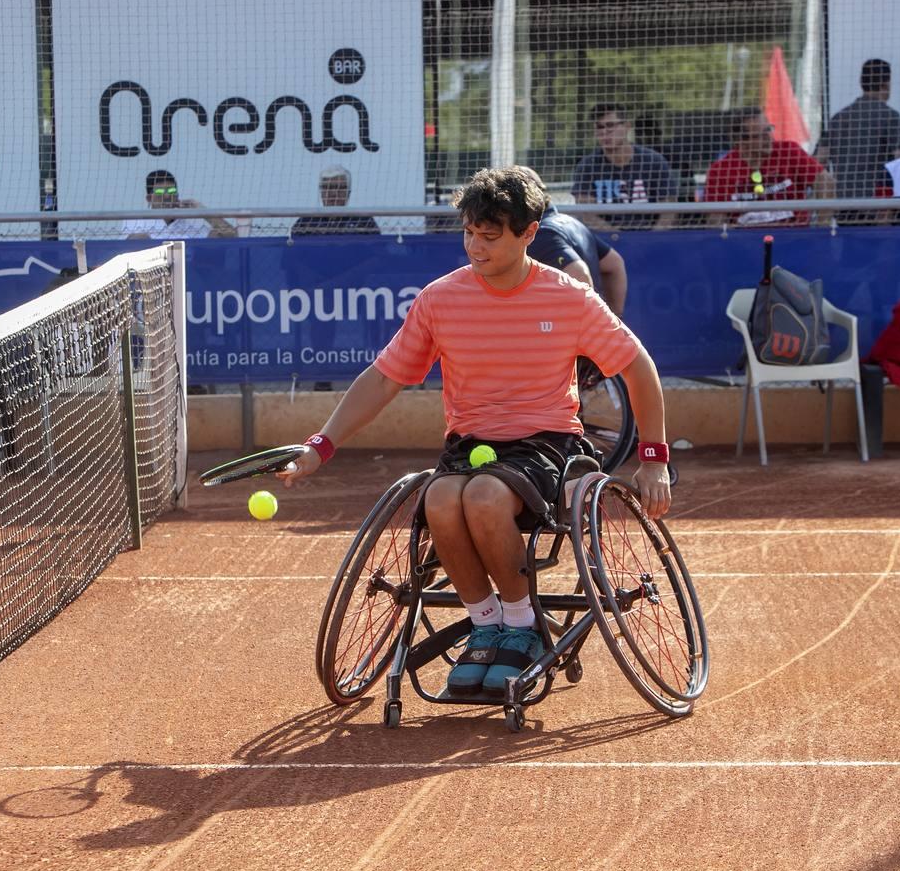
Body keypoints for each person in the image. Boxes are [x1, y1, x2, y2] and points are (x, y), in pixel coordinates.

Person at [277, 166, 671, 696]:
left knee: (484, 497)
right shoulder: (441, 299)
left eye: (490, 236)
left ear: (529, 233)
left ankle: (522, 623)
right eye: (468, 233)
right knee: (440, 500)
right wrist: (320, 446)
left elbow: (638, 366)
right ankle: (486, 623)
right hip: (470, 444)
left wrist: (653, 458)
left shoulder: (568, 296)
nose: (475, 247)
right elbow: (383, 378)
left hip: (547, 444)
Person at [516, 166, 628, 317]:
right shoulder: (571, 223)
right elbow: (614, 264)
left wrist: (582, 323)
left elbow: (579, 274)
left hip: (565, 333)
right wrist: (616, 317)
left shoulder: (541, 234)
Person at [705, 106, 833, 228]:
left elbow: (824, 180)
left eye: (768, 129)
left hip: (794, 239)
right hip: (746, 243)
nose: (768, 138)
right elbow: (716, 220)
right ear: (740, 141)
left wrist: (823, 227)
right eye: (759, 135)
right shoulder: (720, 171)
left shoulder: (789, 151)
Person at [813, 59, 900, 224]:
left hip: (843, 206)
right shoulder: (891, 117)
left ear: (861, 82)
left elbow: (819, 160)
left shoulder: (839, 118)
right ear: (886, 84)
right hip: (878, 207)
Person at [571, 103, 678, 231]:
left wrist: (651, 239)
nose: (604, 132)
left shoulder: (653, 162)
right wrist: (617, 238)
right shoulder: (587, 166)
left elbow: (669, 210)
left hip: (649, 238)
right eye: (599, 127)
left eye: (610, 125)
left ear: (627, 126)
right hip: (604, 241)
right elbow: (586, 213)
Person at [122, 170, 237, 239]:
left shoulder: (191, 223)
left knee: (215, 235)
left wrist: (202, 210)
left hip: (191, 275)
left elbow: (232, 236)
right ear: (149, 198)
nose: (167, 196)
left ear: (177, 195)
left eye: (171, 192)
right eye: (160, 192)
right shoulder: (135, 221)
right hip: (150, 276)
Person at [290, 165, 381, 236]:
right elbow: (292, 256)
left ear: (348, 193)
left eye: (340, 188)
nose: (333, 193)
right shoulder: (306, 222)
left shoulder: (364, 221)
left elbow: (379, 255)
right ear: (321, 192)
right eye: (328, 187)